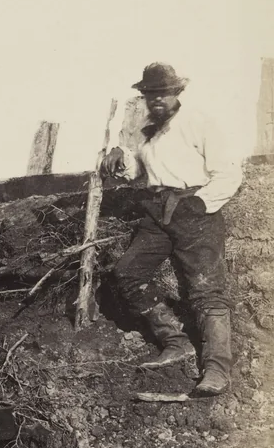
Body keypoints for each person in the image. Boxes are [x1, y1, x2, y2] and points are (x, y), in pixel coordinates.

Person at [102, 62, 242, 396]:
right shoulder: (149, 131)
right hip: (157, 212)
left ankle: (217, 371)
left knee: (206, 291)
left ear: (177, 92)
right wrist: (120, 158)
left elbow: (229, 172)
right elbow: (139, 171)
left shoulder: (199, 123)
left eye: (163, 93)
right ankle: (175, 342)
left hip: (196, 211)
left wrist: (202, 203)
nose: (157, 100)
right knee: (127, 273)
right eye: (150, 94)